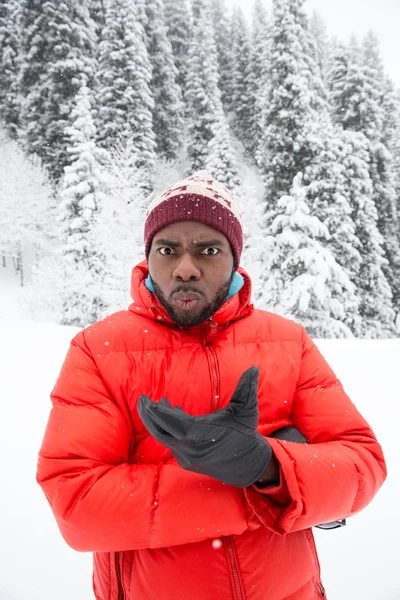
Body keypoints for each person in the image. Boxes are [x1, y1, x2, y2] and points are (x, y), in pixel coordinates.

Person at [37, 170, 386, 600]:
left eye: (208, 250)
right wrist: (255, 490)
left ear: (234, 260)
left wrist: (269, 465)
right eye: (168, 250)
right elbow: (77, 504)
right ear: (149, 258)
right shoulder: (98, 350)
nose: (186, 269)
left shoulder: (288, 342)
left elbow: (362, 463)